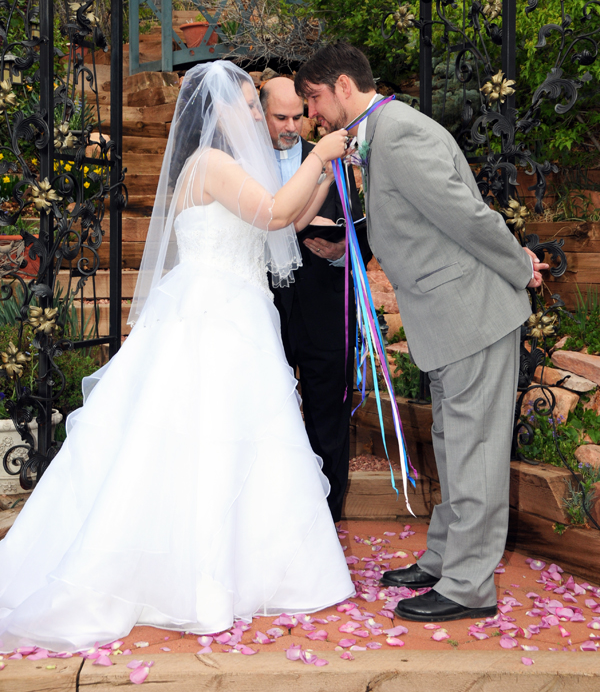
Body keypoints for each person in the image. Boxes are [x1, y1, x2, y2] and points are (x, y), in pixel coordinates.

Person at [0, 61, 354, 654]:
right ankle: (192, 575)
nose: (252, 115)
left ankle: (241, 570)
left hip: (237, 314)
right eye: (245, 105)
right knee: (204, 441)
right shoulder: (211, 165)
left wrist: (326, 169)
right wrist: (320, 158)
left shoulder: (230, 167)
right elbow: (270, 212)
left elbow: (286, 218)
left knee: (240, 443)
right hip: (213, 319)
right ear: (216, 112)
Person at [294, 41, 548, 623]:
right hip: (447, 317)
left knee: (475, 451)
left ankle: (468, 587)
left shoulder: (400, 134)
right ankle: (444, 560)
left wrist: (518, 265)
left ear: (341, 86)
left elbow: (467, 216)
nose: (314, 115)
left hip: (472, 314)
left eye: (314, 99)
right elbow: (408, 216)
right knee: (453, 446)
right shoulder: (376, 137)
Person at [259, 75, 367, 523]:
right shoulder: (242, 166)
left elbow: (365, 223)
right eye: (280, 117)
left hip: (327, 309)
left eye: (298, 117)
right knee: (265, 417)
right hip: (261, 315)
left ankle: (327, 520)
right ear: (260, 115)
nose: (291, 126)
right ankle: (271, 518)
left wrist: (347, 250)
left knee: (329, 419)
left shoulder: (335, 160)